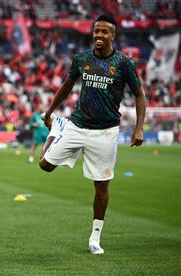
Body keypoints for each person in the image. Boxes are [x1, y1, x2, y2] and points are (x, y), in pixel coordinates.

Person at [39, 14, 146, 254]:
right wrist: (50, 112)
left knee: (101, 188)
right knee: (44, 165)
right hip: (77, 126)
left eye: (104, 32)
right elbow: (67, 85)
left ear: (113, 35)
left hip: (105, 132)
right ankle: (58, 129)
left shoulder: (124, 63)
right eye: (96, 31)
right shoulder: (82, 59)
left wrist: (139, 127)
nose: (99, 35)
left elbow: (140, 95)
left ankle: (95, 238)